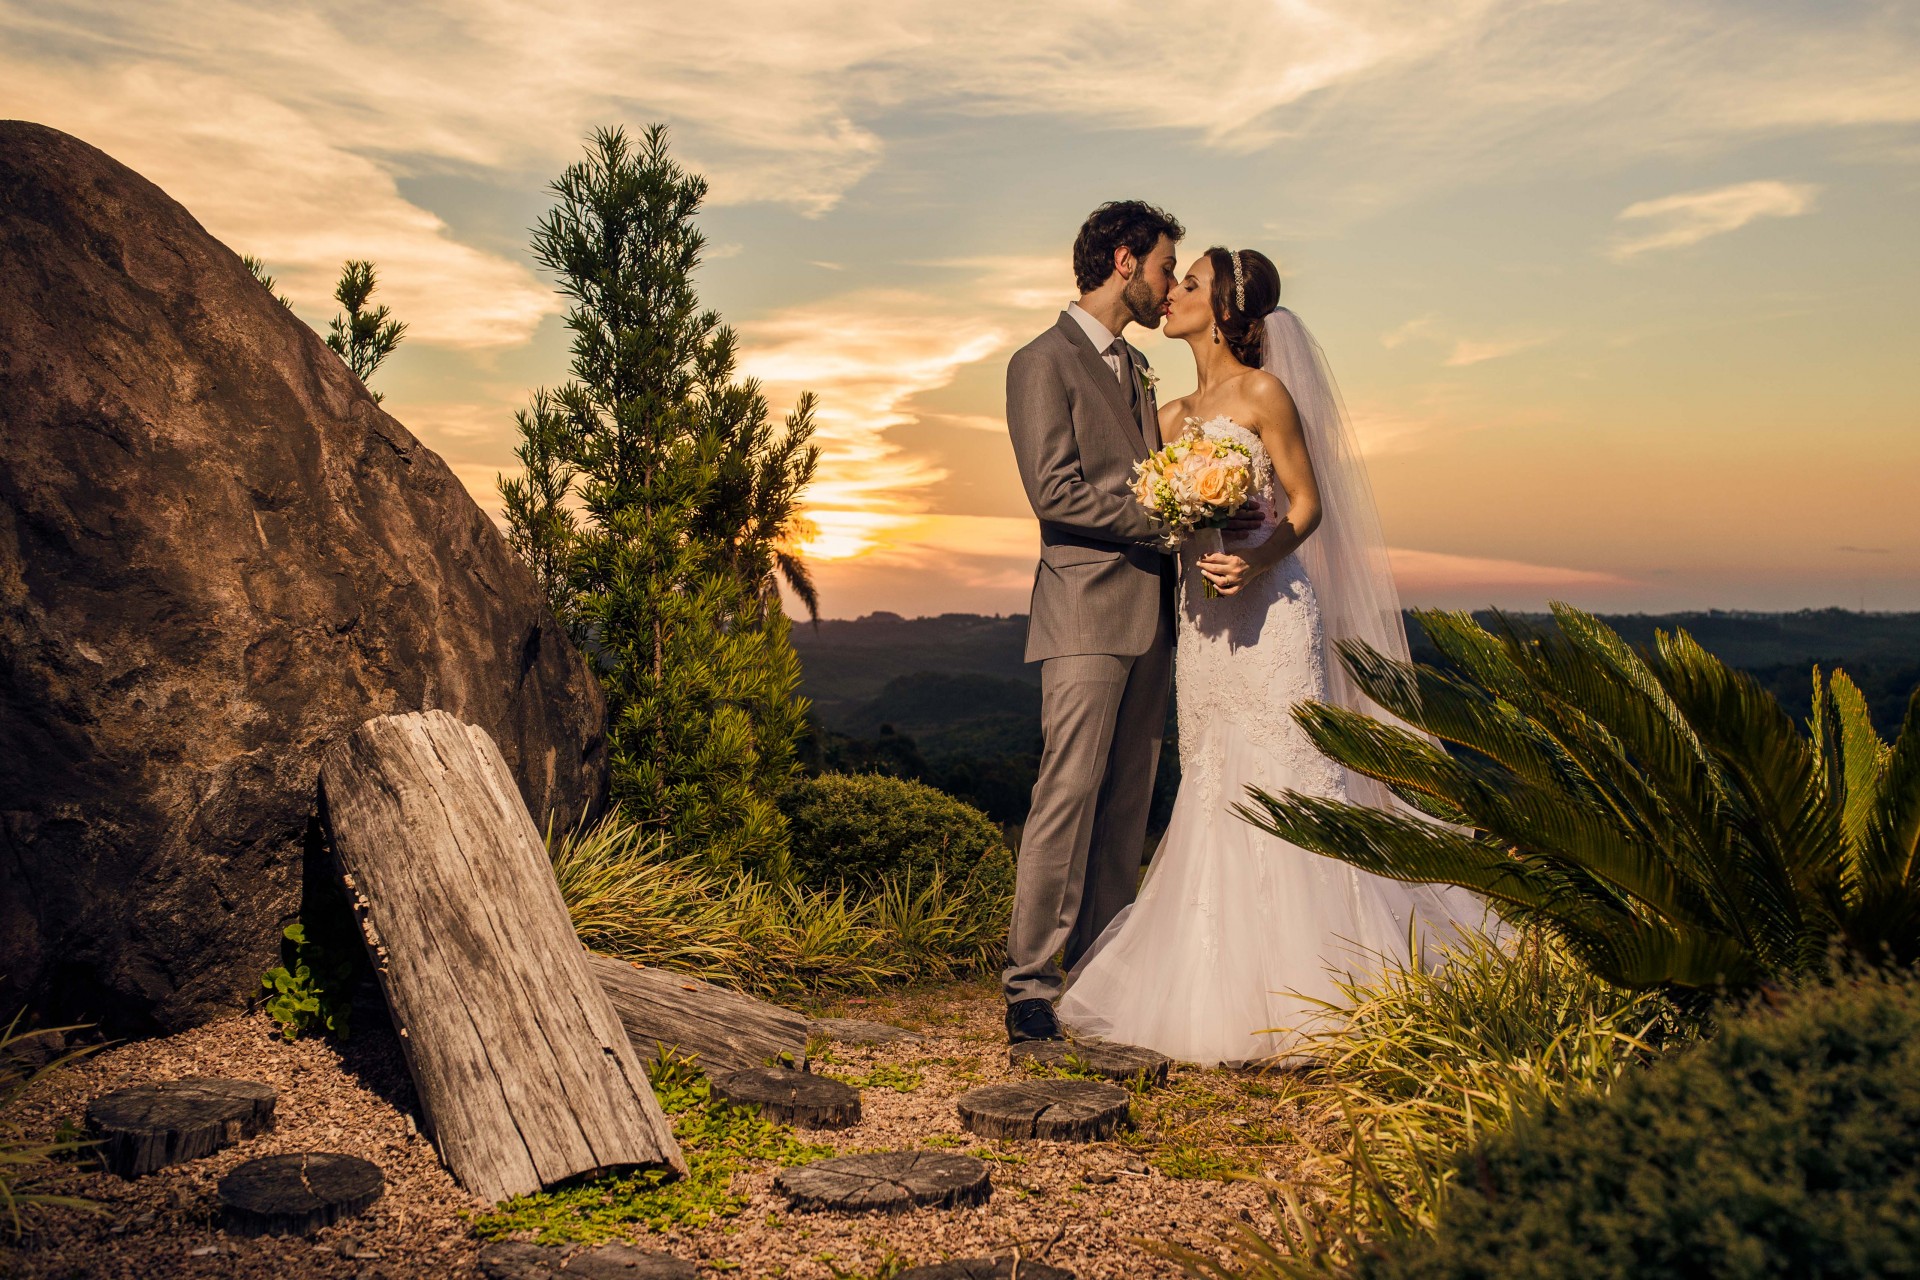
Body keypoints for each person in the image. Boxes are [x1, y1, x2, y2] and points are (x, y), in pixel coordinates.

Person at [1054, 247, 1486, 1065]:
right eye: (1173, 281)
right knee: (1215, 781)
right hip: (1203, 627)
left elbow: (1308, 502)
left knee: (1289, 772)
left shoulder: (1263, 394)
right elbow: (1150, 504)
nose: (1172, 294)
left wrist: (1255, 556)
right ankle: (1218, 987)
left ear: (1223, 310)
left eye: (1189, 285)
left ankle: (1324, 982)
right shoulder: (1170, 414)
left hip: (1271, 614)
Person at [1002, 201, 1262, 1045]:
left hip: (1155, 612)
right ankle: (1030, 986)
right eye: (1162, 267)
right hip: (1084, 609)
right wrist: (1166, 515)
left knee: (1126, 804)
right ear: (1124, 262)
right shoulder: (1041, 361)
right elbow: (1054, 491)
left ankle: (1104, 977)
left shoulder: (1138, 372)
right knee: (1066, 794)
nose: (1165, 284)